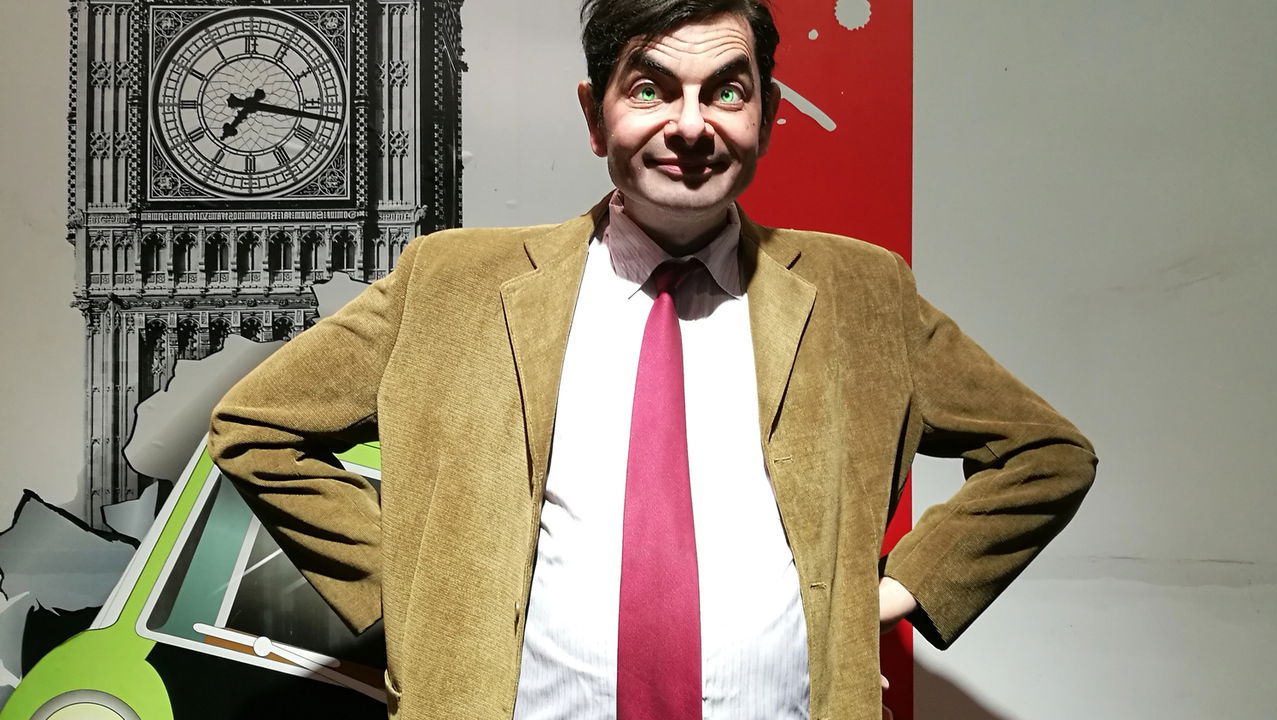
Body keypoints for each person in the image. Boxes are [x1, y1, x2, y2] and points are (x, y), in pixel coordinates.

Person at [208, 1, 1097, 718]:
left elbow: (1046, 455)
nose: (691, 126)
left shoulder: (863, 292)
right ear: (595, 117)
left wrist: (899, 589)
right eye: (650, 88)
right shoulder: (451, 282)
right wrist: (420, 593)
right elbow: (257, 427)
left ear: (767, 117)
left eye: (727, 91)